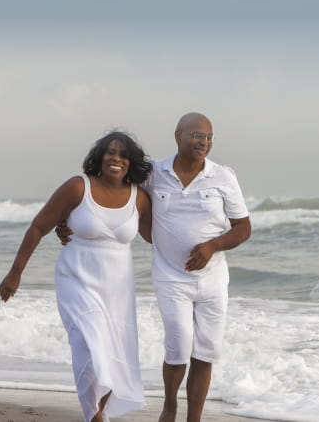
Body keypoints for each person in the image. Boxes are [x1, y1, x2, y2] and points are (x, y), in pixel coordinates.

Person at [59, 113, 252, 422]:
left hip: (214, 280)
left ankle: (194, 419)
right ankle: (170, 405)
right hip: (170, 277)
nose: (204, 142)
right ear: (178, 136)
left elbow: (243, 228)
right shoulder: (153, 173)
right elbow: (113, 193)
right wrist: (68, 222)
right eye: (197, 135)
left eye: (209, 137)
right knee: (178, 345)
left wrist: (212, 246)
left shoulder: (223, 177)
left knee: (206, 351)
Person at [0, 131, 153, 422]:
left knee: (111, 351)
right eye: (110, 152)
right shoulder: (77, 187)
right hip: (76, 279)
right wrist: (15, 273)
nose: (116, 159)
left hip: (118, 289)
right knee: (88, 344)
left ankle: (99, 415)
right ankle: (92, 415)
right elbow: (37, 227)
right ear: (99, 156)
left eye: (123, 154)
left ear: (131, 162)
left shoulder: (140, 198)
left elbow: (158, 237)